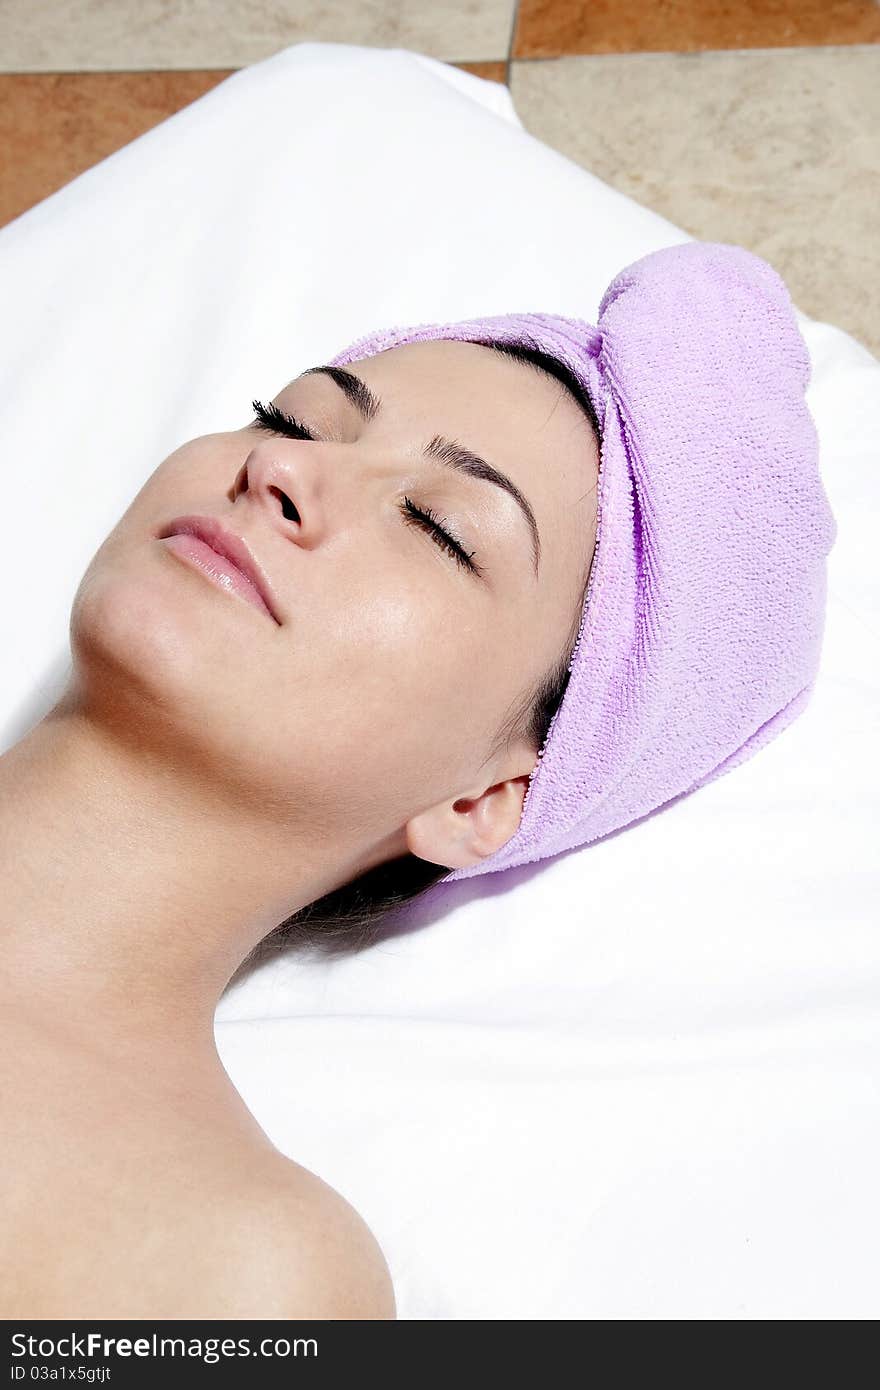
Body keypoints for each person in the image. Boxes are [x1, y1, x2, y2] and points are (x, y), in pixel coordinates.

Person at [0, 335, 601, 1319]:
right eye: (291, 417)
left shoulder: (233, 1273)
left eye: (435, 525)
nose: (279, 464)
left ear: (482, 801)